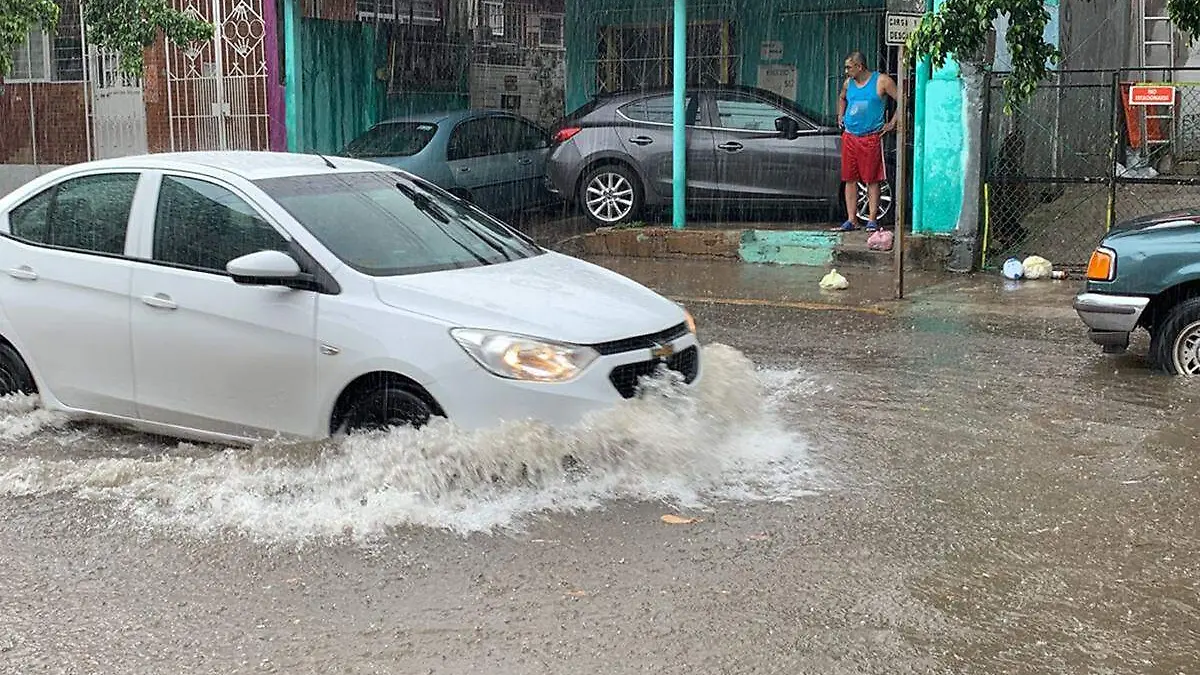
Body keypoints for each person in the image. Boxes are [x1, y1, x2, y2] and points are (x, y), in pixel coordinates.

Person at [836, 51, 899, 232]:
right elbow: (842, 97)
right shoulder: (848, 83)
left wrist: (892, 123)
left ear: (859, 66)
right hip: (850, 135)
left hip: (870, 136)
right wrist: (840, 115)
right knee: (849, 178)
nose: (846, 71)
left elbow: (902, 99)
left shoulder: (882, 81)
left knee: (872, 178)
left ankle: (872, 219)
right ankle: (851, 219)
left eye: (849, 67)